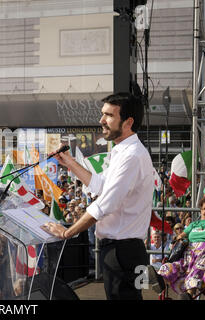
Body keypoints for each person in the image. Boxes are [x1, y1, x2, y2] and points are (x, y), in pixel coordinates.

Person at [42, 92, 153, 300]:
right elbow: (101, 186)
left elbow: (105, 204)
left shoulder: (131, 155)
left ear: (128, 122)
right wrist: (71, 164)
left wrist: (68, 233)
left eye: (109, 115)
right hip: (123, 250)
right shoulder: (123, 151)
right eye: (102, 114)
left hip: (123, 251)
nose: (101, 120)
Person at [147, 194, 205, 300]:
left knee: (199, 267)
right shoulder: (195, 224)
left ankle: (188, 294)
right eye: (204, 209)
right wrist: (178, 240)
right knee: (176, 265)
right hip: (189, 253)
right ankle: (161, 280)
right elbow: (181, 236)